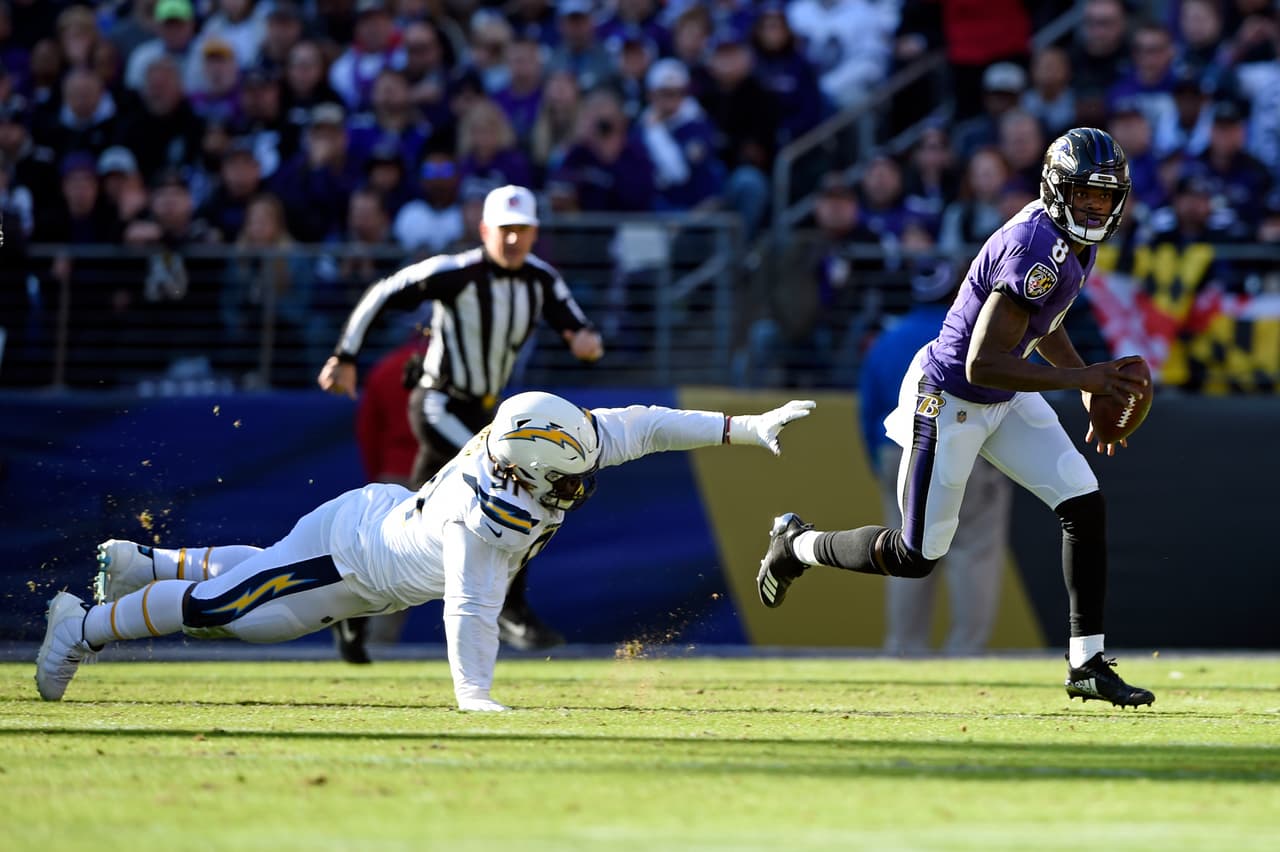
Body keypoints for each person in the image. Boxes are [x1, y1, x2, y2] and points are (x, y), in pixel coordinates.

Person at [35, 392, 817, 709]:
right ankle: (80, 625)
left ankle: (154, 563)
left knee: (264, 580)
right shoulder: (487, 515)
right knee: (232, 614)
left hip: (380, 550)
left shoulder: (558, 438)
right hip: (357, 553)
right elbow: (471, 610)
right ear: (525, 470)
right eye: (568, 482)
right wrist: (474, 699)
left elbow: (645, 426)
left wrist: (747, 429)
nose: (581, 489)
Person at [755, 128, 1156, 708]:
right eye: (1085, 195)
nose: (1096, 207)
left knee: (1082, 500)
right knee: (914, 556)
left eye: (1105, 196)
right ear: (1056, 189)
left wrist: (1084, 378)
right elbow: (983, 360)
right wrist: (1080, 381)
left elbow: (1043, 322)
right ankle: (795, 546)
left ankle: (1086, 664)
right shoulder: (1035, 246)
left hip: (1002, 391)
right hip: (951, 397)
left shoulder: (1069, 238)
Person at [316, 184, 605, 662]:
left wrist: (587, 343)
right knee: (518, 484)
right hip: (440, 405)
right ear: (485, 230)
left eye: (522, 231)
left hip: (484, 410)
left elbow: (577, 328)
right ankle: (511, 609)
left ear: (534, 232)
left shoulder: (541, 279)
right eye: (505, 231)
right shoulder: (458, 272)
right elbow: (386, 291)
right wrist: (345, 355)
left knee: (408, 531)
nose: (513, 240)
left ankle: (351, 605)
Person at [859, 259, 1013, 656]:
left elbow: (868, 410)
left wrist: (881, 462)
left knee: (906, 551)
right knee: (972, 552)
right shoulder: (971, 335)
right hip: (966, 449)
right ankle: (965, 653)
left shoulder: (888, 340)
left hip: (899, 450)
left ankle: (904, 650)